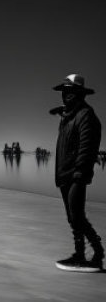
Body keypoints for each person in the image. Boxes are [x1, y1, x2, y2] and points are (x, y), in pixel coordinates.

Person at [50, 74, 103, 272]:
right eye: (64, 92)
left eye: (70, 92)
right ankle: (80, 253)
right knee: (73, 217)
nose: (65, 95)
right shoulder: (69, 115)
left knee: (77, 216)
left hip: (76, 175)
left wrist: (80, 173)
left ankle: (96, 254)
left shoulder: (86, 116)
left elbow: (87, 147)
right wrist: (60, 112)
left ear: (79, 94)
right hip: (64, 175)